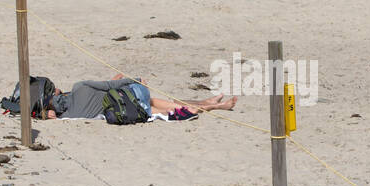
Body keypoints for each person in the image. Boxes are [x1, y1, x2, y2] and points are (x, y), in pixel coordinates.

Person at [45, 73, 237, 120]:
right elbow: (111, 85)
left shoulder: (69, 115)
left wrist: (49, 116)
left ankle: (209, 103)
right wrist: (135, 80)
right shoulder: (79, 87)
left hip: (126, 106)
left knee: (170, 105)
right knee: (172, 106)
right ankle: (215, 106)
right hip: (128, 98)